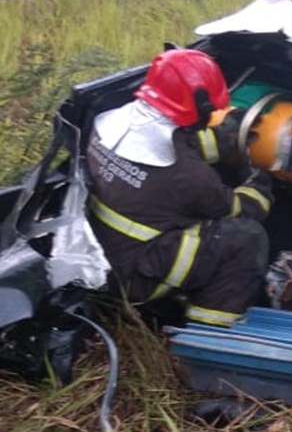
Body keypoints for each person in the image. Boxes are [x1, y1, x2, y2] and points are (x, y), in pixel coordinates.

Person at [86, 47, 274, 327]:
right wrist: (260, 184)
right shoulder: (189, 178)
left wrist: (228, 134)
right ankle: (209, 332)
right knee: (245, 237)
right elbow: (237, 209)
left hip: (95, 257)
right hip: (134, 278)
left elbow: (179, 143)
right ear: (198, 106)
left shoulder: (111, 121)